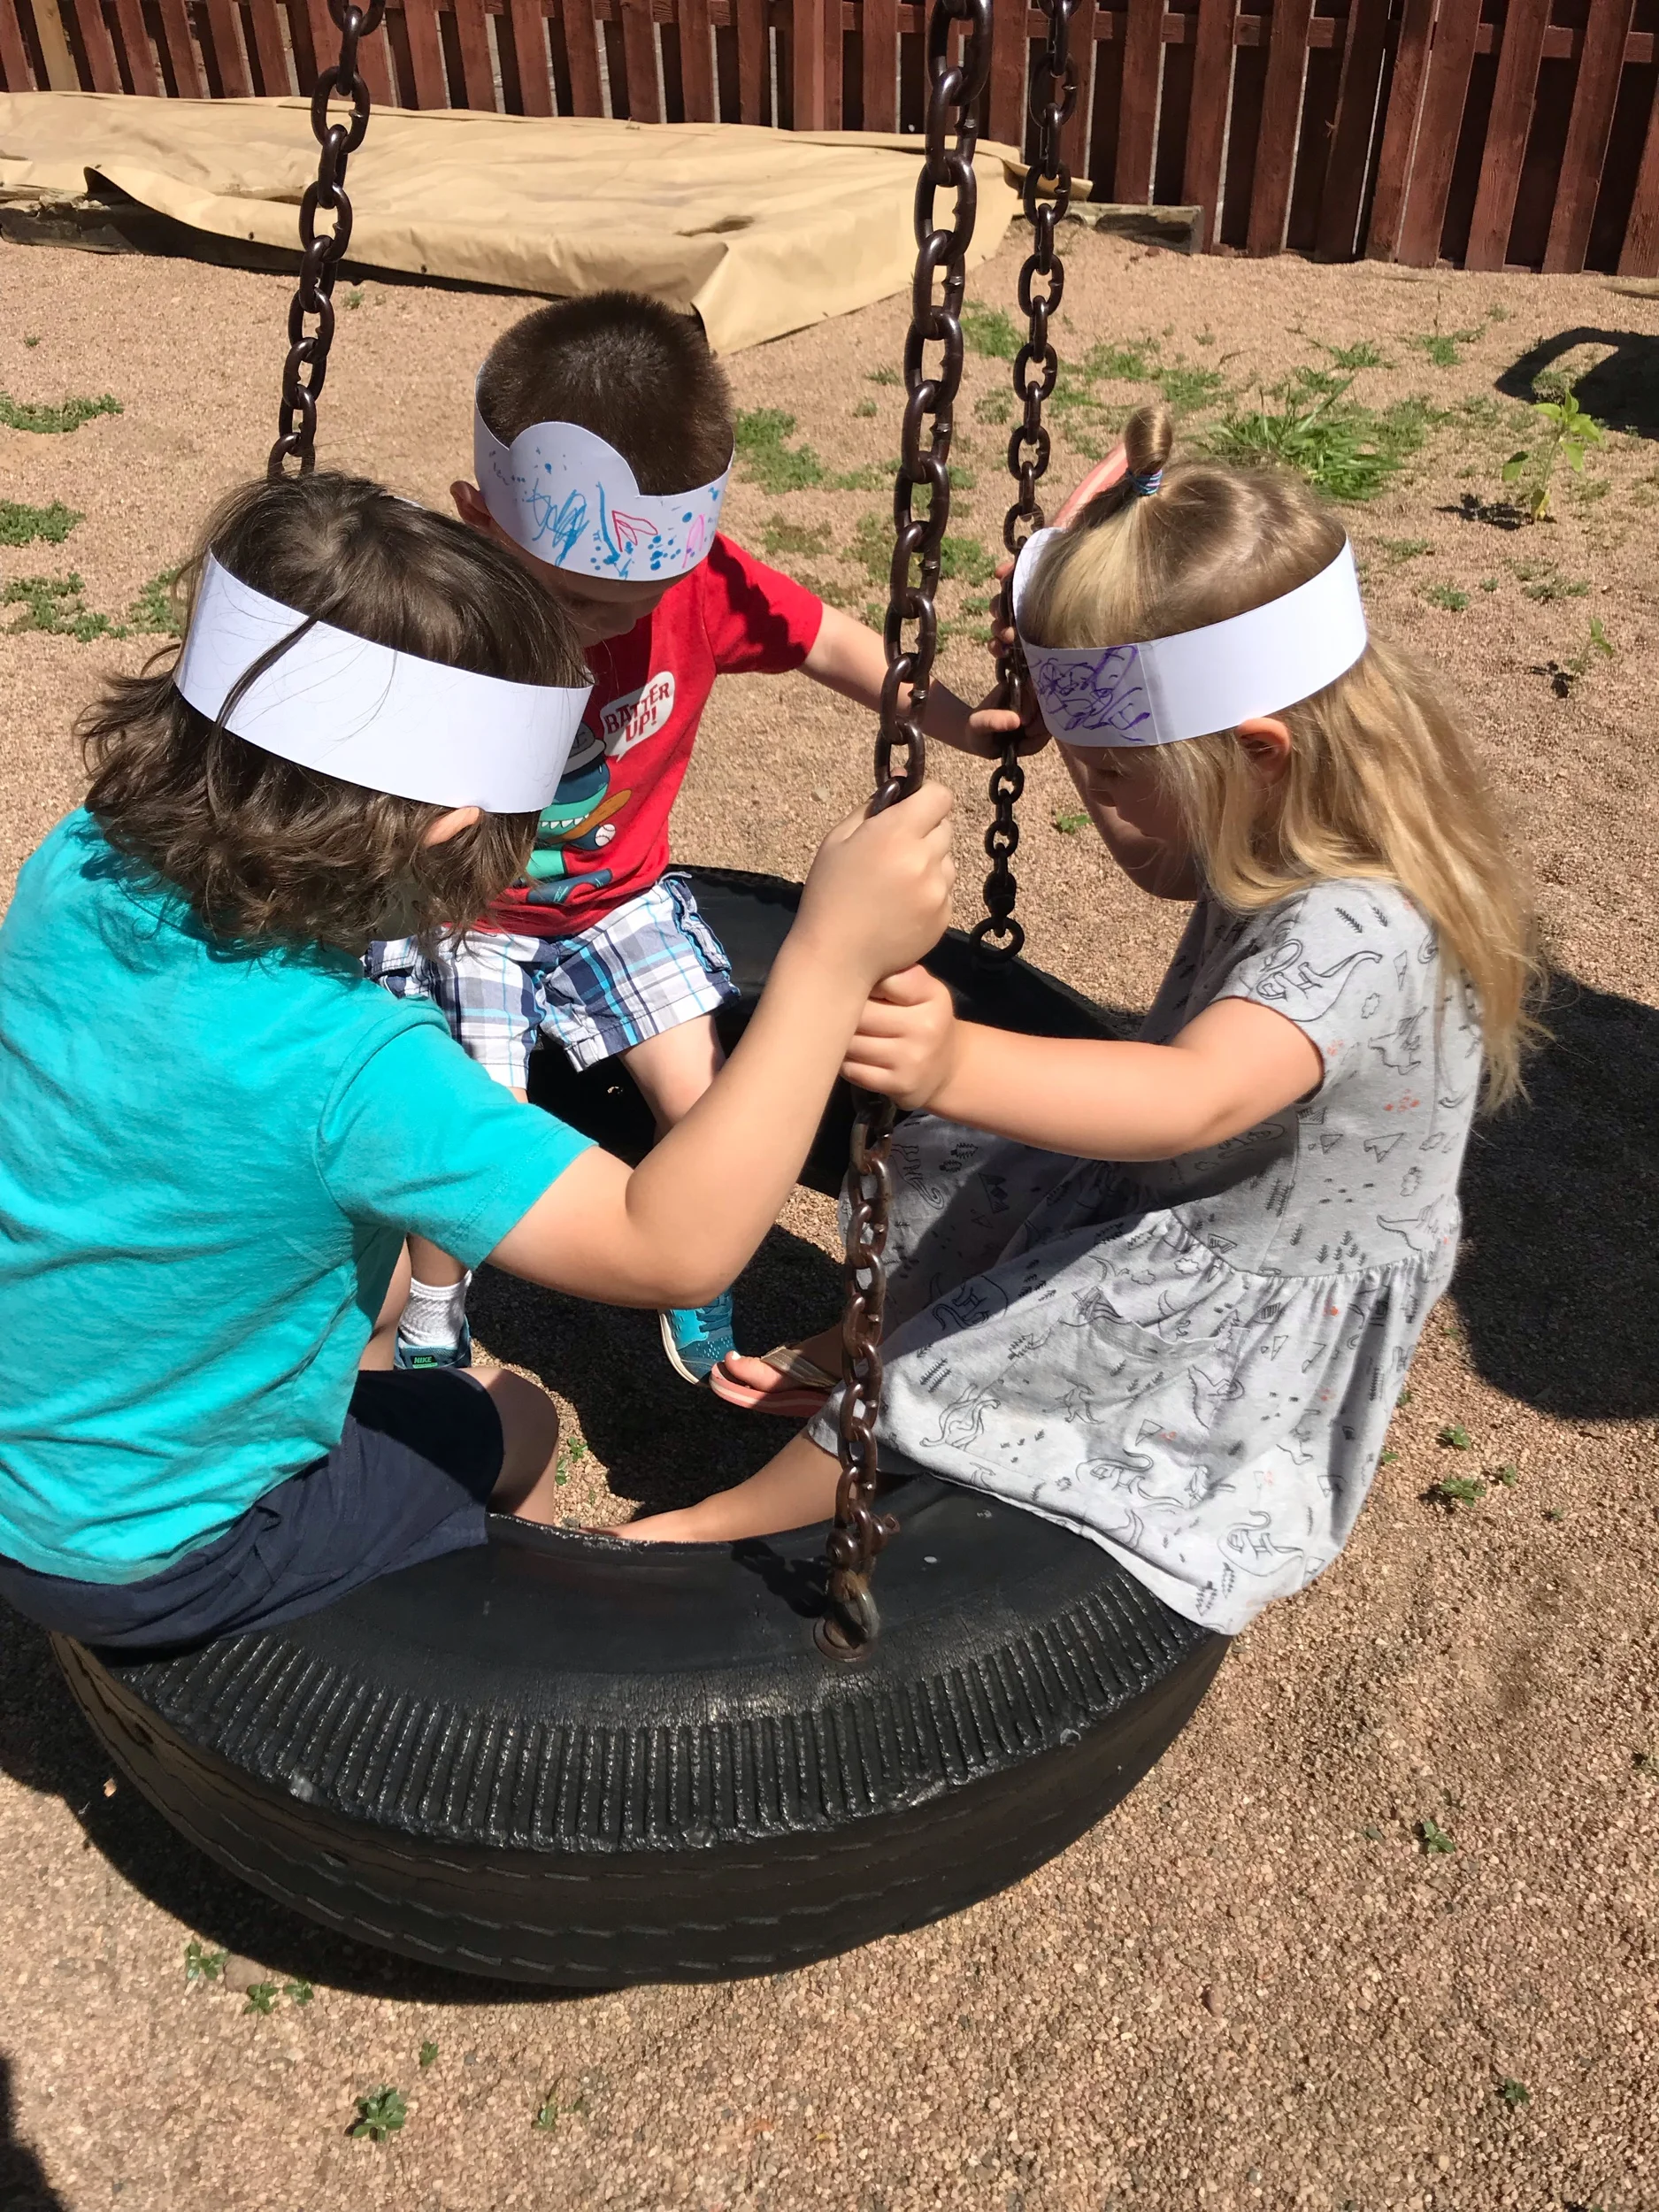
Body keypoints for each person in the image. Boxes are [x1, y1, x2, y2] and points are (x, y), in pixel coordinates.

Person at [621, 403, 1540, 1640]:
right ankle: (851, 1338)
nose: (1094, 806)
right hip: (1204, 1182)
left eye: (1111, 776)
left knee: (937, 1385)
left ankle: (717, 1523)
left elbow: (1192, 1098)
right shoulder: (1287, 816)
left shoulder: (1360, 928)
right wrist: (1060, 585)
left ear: (1258, 753)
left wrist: (952, 1057)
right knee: (980, 1211)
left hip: (1245, 1257)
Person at [0, 470, 955, 1655]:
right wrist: (825, 957)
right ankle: (512, 1643)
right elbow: (674, 1243)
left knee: (381, 1289)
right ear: (457, 827)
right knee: (506, 1415)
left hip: (25, 1449)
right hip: (155, 1551)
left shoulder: (78, 865)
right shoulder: (360, 1070)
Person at [366, 290, 1024, 1386]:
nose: (618, 622)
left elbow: (832, 641)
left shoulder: (699, 582)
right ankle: (437, 1301)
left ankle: (697, 1258)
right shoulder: (447, 607)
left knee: (708, 1085)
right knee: (467, 1125)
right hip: (468, 914)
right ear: (483, 522)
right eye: (580, 601)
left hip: (620, 898)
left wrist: (957, 717)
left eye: (646, 591)